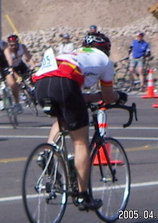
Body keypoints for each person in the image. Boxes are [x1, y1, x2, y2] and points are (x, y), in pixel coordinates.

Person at [33, 32, 127, 211]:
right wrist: (119, 97)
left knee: (63, 117)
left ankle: (49, 151)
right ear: (106, 49)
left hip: (41, 83)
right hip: (65, 83)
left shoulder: (74, 54)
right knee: (81, 142)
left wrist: (94, 96)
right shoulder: (105, 61)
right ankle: (83, 196)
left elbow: (75, 95)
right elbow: (107, 97)